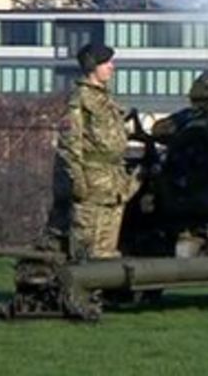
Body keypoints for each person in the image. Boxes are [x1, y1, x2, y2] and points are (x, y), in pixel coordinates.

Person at [52, 42, 138, 260]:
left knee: (107, 249)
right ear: (93, 66)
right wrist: (78, 182)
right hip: (91, 182)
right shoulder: (80, 100)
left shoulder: (105, 99)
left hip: (112, 182)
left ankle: (103, 292)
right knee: (87, 248)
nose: (112, 67)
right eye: (106, 63)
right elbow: (69, 146)